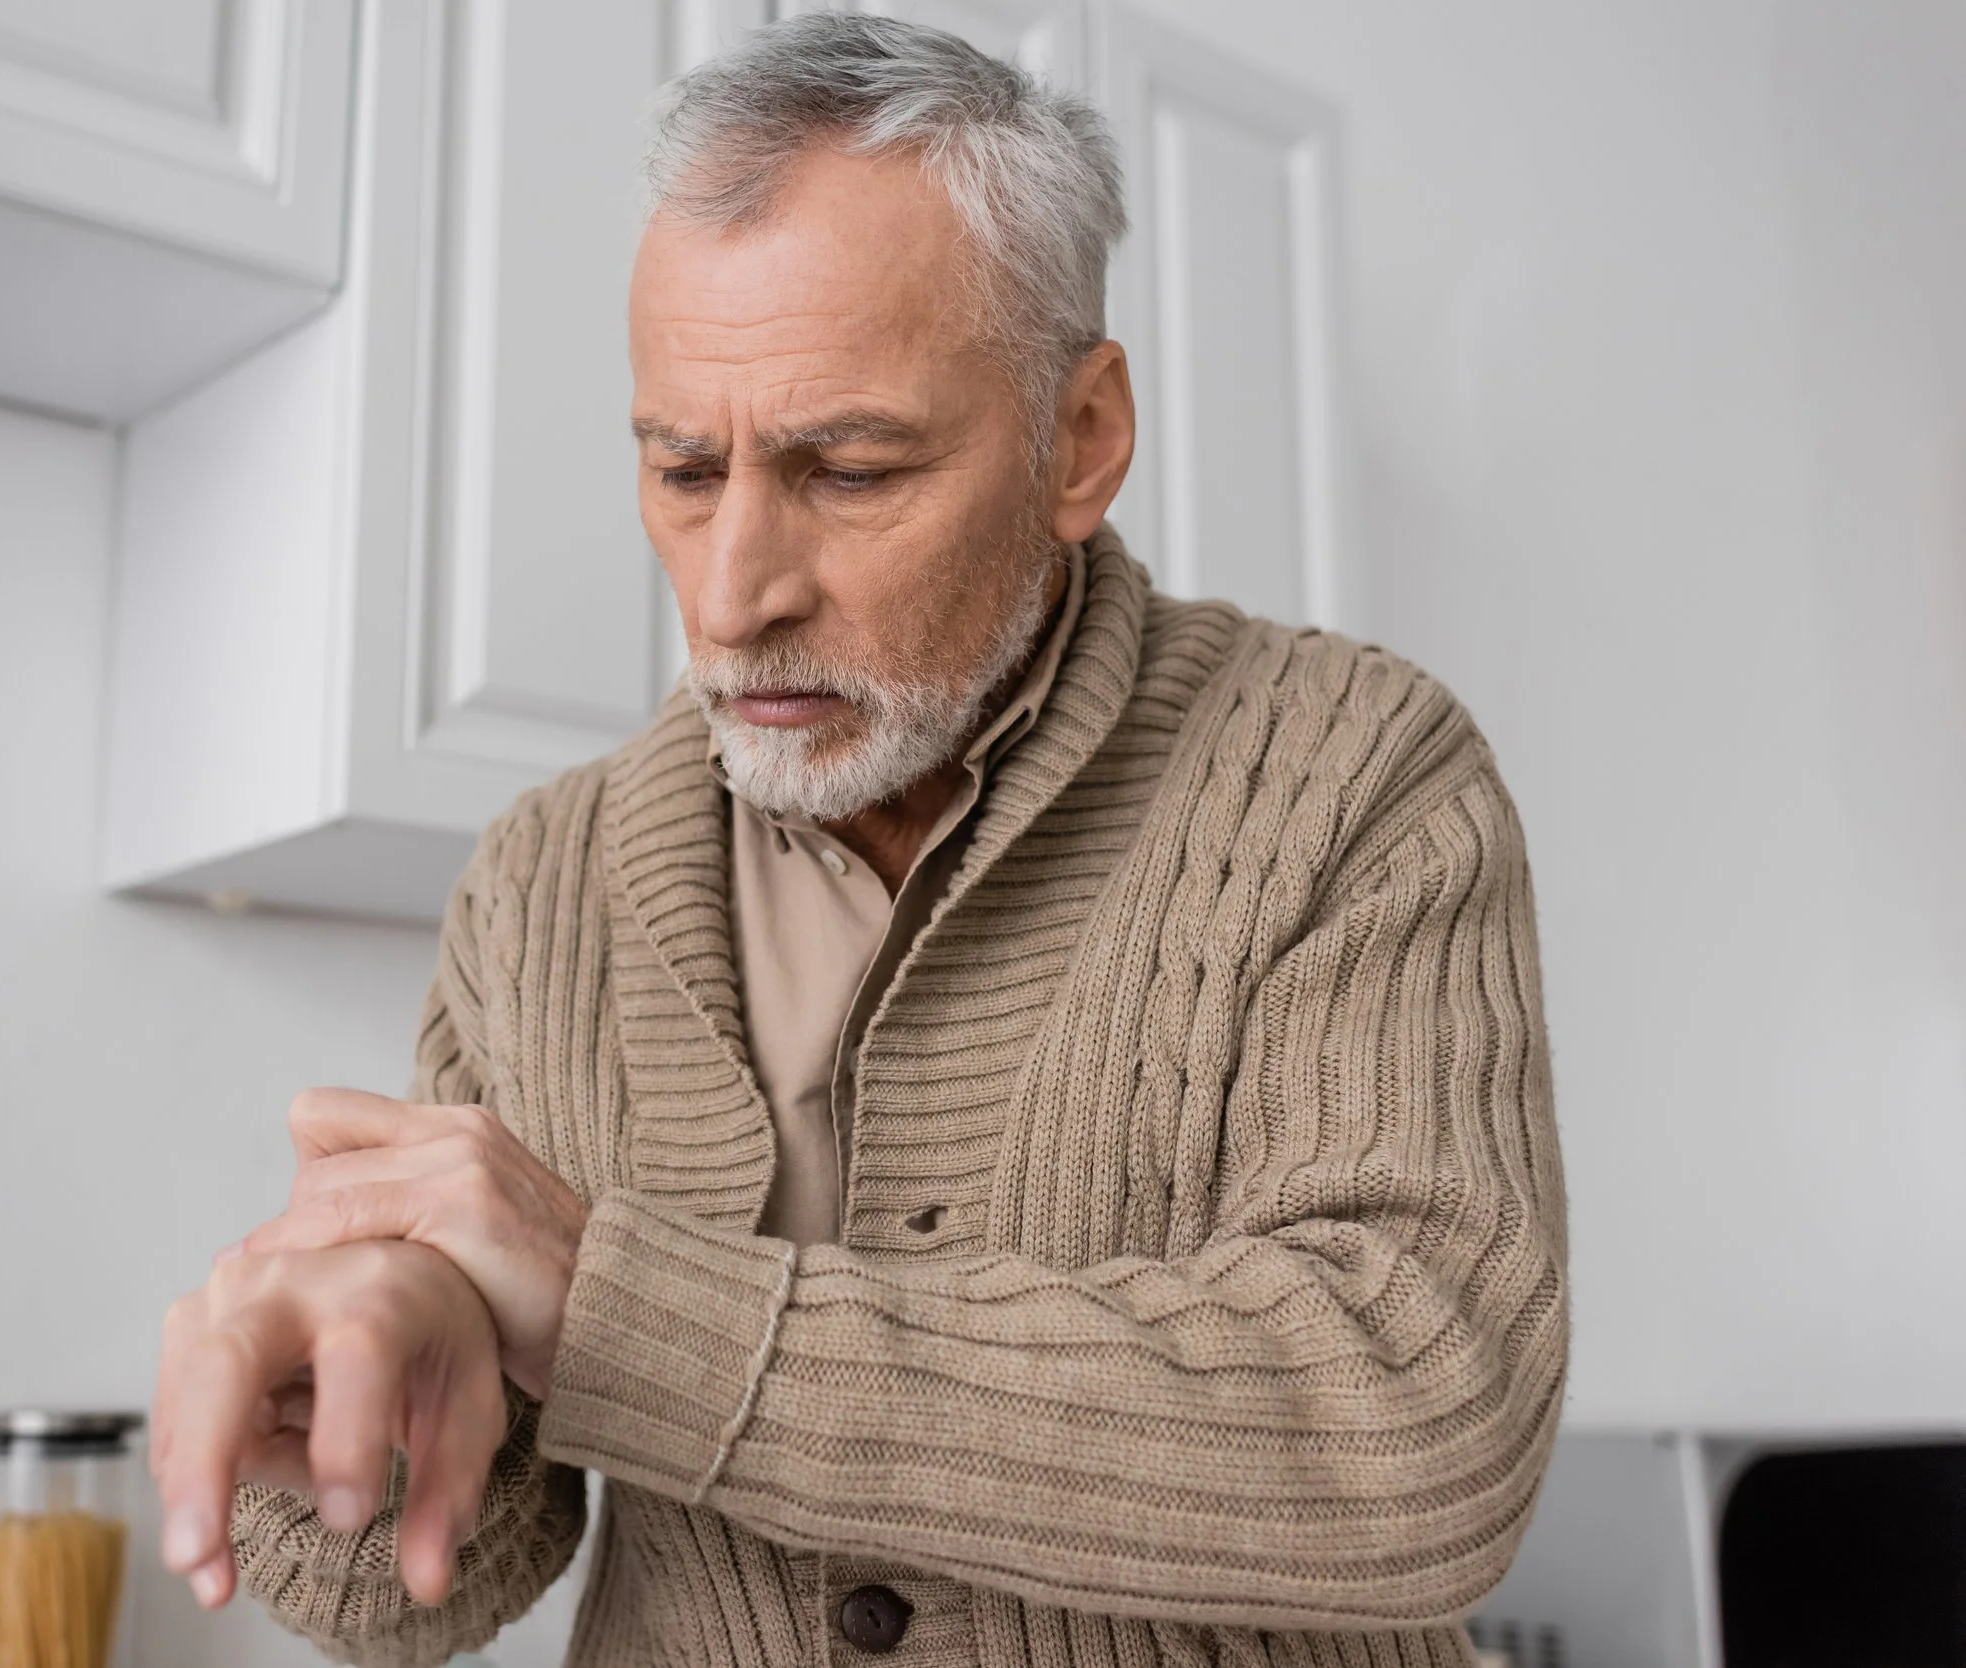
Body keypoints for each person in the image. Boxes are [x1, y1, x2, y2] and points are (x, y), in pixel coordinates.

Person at [148, 14, 1566, 1666]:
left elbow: (1420, 1434)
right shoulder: (541, 879)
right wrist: (380, 1377)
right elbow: (416, 1587)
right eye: (684, 468)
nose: (736, 590)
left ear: (1081, 440)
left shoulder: (1351, 772)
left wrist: (622, 1306)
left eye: (850, 469)